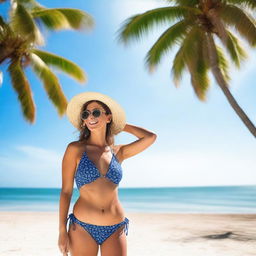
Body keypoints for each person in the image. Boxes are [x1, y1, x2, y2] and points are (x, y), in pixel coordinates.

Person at [58, 91, 157, 256]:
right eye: (86, 114)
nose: (90, 117)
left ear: (108, 117)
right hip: (82, 227)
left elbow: (150, 137)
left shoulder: (119, 152)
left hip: (115, 228)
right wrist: (62, 230)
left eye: (96, 112)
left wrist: (119, 124)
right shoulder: (75, 149)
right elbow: (66, 191)